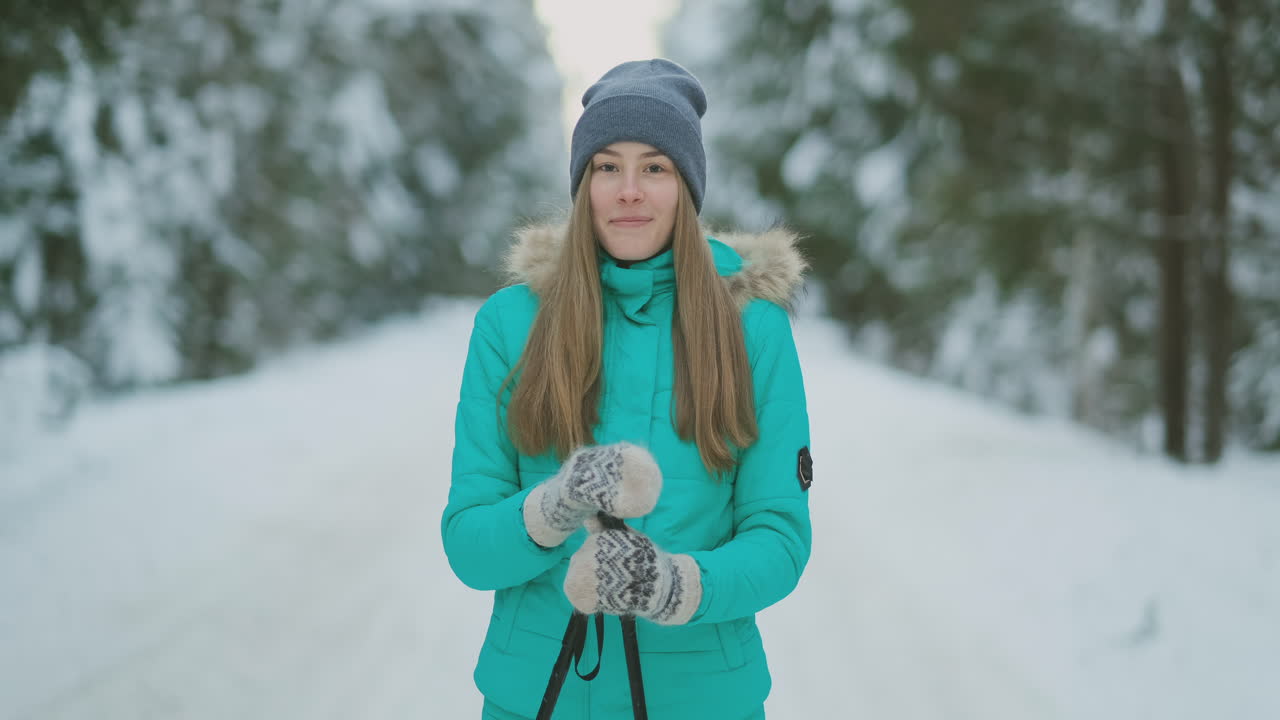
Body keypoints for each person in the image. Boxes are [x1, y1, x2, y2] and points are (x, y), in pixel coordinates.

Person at [442, 58, 813, 720]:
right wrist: (555, 506)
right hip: (540, 698)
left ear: (686, 186)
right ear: (584, 184)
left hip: (702, 701)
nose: (630, 190)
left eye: (656, 167)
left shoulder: (753, 328)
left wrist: (677, 586)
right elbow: (469, 545)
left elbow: (778, 535)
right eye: (607, 166)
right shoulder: (511, 322)